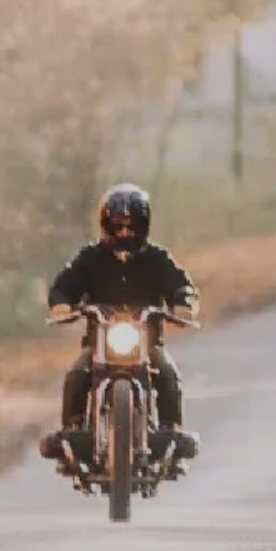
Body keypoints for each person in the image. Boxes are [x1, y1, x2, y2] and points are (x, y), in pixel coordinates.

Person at [39, 184, 199, 465]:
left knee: (167, 372)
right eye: (118, 226)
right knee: (78, 373)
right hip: (98, 344)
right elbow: (64, 285)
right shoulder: (90, 258)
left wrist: (183, 303)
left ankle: (171, 432)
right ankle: (72, 432)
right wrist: (61, 303)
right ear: (106, 226)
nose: (125, 233)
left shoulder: (157, 259)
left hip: (147, 344)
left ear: (144, 226)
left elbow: (181, 285)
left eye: (132, 226)